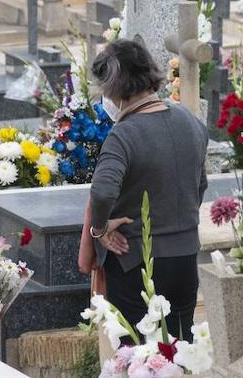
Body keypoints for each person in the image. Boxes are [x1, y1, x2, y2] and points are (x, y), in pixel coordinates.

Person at [81, 38, 209, 341]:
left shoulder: (123, 135)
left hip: (136, 259)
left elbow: (102, 191)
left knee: (139, 355)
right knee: (180, 351)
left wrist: (100, 229)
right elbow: (200, 184)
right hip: (186, 256)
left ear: (114, 89)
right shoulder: (190, 122)